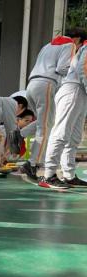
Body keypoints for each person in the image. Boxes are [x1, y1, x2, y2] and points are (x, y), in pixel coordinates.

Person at [22, 29, 86, 180]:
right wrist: (73, 71)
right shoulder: (70, 45)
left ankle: (20, 134)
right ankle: (33, 164)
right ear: (76, 39)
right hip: (48, 84)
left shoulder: (47, 46)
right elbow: (62, 68)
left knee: (46, 124)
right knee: (46, 128)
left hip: (32, 84)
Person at [40, 41, 87, 190]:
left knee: (74, 136)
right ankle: (48, 175)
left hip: (80, 92)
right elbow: (83, 68)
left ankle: (69, 175)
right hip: (73, 89)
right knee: (61, 133)